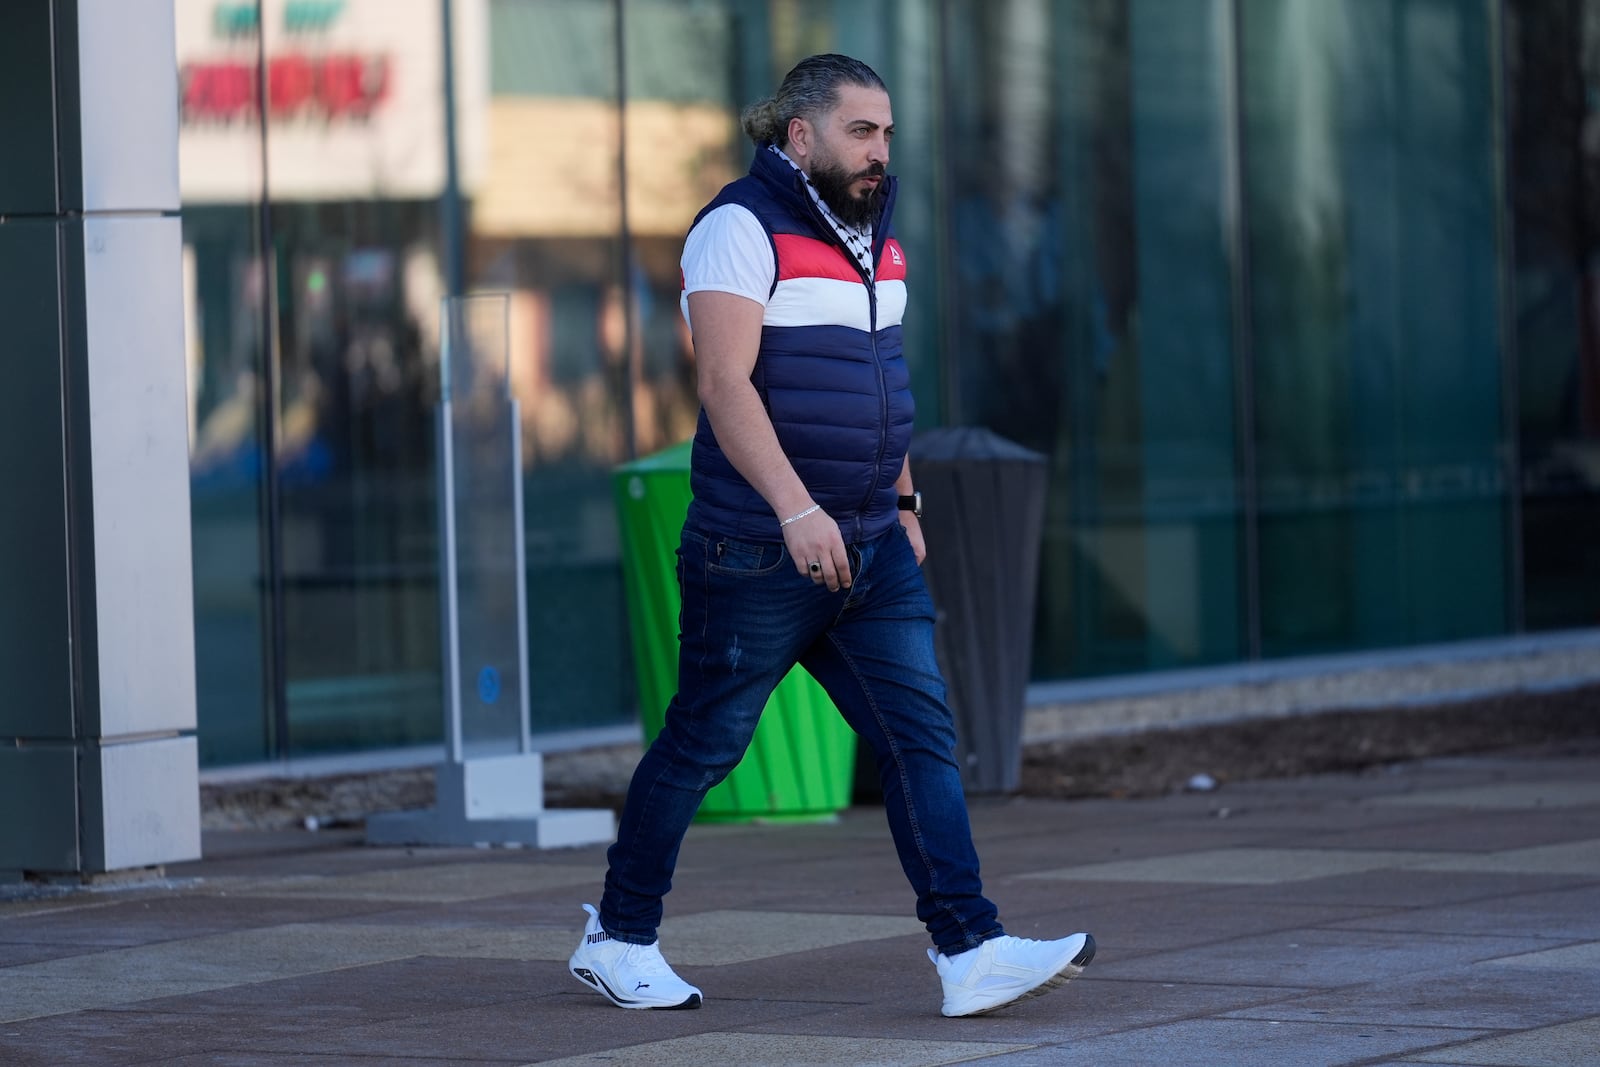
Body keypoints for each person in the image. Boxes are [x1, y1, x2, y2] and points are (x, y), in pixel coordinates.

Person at [568, 53, 1094, 1019]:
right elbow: (726, 386)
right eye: (862, 131)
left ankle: (968, 950)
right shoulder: (736, 227)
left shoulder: (873, 235)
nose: (880, 151)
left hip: (872, 547)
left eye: (888, 133)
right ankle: (618, 936)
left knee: (921, 738)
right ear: (798, 135)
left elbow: (880, 380)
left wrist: (902, 502)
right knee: (703, 742)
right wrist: (795, 511)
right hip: (758, 548)